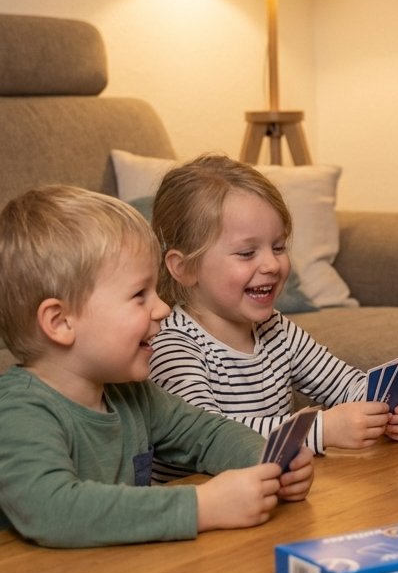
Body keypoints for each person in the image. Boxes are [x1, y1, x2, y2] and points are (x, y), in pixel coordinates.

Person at [0, 185, 314, 548]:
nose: (163, 308)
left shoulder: (132, 396)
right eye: (139, 295)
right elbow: (53, 510)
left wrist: (267, 459)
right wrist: (202, 507)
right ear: (60, 322)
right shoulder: (18, 413)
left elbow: (207, 433)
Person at [149, 154, 398, 482]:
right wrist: (322, 430)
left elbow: (344, 383)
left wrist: (386, 410)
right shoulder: (171, 347)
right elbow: (209, 438)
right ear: (184, 267)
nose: (272, 265)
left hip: (268, 498)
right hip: (203, 512)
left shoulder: (276, 329)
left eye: (278, 247)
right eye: (247, 253)